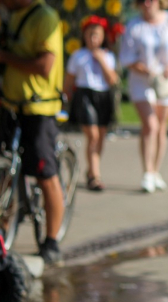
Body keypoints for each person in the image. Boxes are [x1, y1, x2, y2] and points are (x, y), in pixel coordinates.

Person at [0, 0, 64, 266]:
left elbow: (45, 66)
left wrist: (3, 57)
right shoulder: (10, 16)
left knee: (46, 176)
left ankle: (52, 241)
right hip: (11, 105)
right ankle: (1, 236)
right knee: (5, 177)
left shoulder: (45, 17)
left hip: (38, 109)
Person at [119, 0, 168, 193]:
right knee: (149, 125)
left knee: (160, 128)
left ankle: (156, 171)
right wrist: (145, 69)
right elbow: (126, 57)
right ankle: (147, 172)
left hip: (166, 83)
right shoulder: (134, 25)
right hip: (142, 82)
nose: (146, 3)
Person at [63, 15, 119, 192]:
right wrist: (65, 98)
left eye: (97, 34)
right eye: (90, 34)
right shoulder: (78, 56)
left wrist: (101, 59)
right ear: (84, 36)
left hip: (102, 96)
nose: (93, 38)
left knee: (100, 136)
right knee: (93, 135)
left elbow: (112, 80)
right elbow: (69, 80)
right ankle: (95, 175)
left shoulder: (108, 56)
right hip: (85, 96)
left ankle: (92, 170)